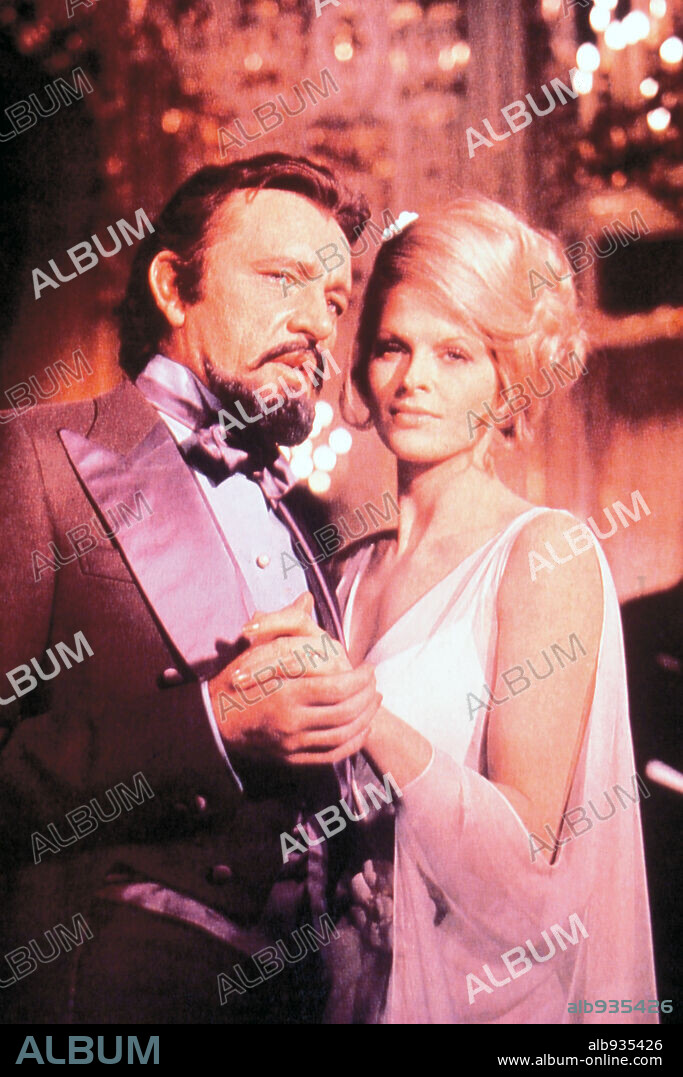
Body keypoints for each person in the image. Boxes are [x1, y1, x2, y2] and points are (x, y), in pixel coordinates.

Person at [241, 197, 658, 1023]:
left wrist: (362, 711)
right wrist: (362, 885)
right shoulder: (347, 571)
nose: (413, 380)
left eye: (455, 353)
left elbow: (525, 871)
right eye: (392, 345)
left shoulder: (543, 554)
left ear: (508, 380)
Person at [0, 152, 385, 1024]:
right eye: (282, 278)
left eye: (333, 300)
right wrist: (211, 724)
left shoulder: (304, 516)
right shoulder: (33, 454)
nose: (316, 324)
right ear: (174, 287)